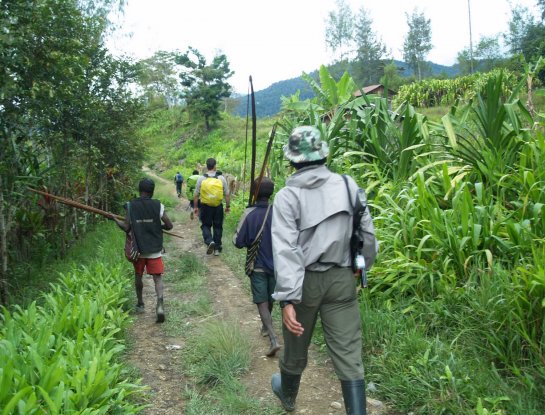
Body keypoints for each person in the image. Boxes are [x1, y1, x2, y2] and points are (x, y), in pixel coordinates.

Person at [270, 126, 378, 414]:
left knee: (296, 343)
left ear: (292, 160)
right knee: (348, 352)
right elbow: (366, 233)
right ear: (323, 154)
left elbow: (286, 250)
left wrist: (287, 299)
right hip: (342, 279)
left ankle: (288, 394)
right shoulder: (347, 185)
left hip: (304, 283)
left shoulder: (287, 196)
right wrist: (362, 266)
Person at [112, 178, 173, 323]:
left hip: (138, 250)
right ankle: (160, 305)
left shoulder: (131, 206)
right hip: (154, 248)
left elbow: (126, 227)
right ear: (152, 192)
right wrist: (159, 227)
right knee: (157, 277)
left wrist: (114, 219)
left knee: (138, 275)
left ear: (139, 190)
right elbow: (169, 225)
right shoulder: (158, 205)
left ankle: (140, 303)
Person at [233, 177, 280, 357]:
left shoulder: (249, 213)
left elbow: (238, 242)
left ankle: (273, 337)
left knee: (261, 301)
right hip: (277, 265)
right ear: (271, 193)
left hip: (258, 264)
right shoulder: (279, 212)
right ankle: (266, 327)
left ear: (254, 193)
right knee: (270, 297)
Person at [193, 158, 230, 256]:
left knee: (205, 225)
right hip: (218, 206)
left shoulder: (202, 178)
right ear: (215, 166)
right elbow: (227, 193)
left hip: (205, 207)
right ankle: (217, 249)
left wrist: (195, 207)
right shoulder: (221, 178)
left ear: (207, 166)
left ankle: (210, 241)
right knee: (218, 226)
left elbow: (196, 194)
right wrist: (227, 206)